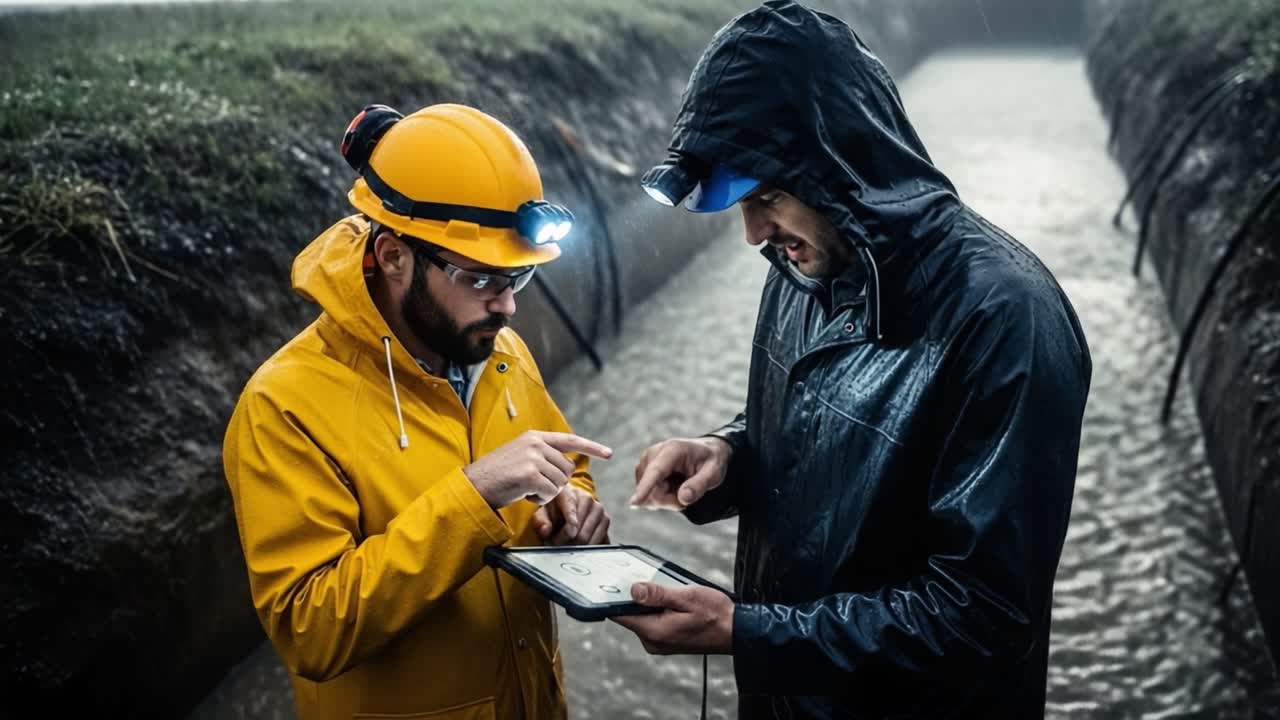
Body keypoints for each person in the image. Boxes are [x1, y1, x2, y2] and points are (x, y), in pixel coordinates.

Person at [615, 1, 1093, 717]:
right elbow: (828, 437)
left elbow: (982, 615)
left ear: (842, 162)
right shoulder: (801, 266)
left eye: (768, 197)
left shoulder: (1005, 319)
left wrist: (746, 632)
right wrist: (730, 454)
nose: (751, 235)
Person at [221, 102, 613, 720]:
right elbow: (310, 630)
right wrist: (474, 494)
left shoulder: (498, 350)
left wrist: (571, 508)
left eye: (518, 280)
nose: (508, 306)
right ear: (395, 255)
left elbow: (556, 464)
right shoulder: (284, 405)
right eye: (483, 278)